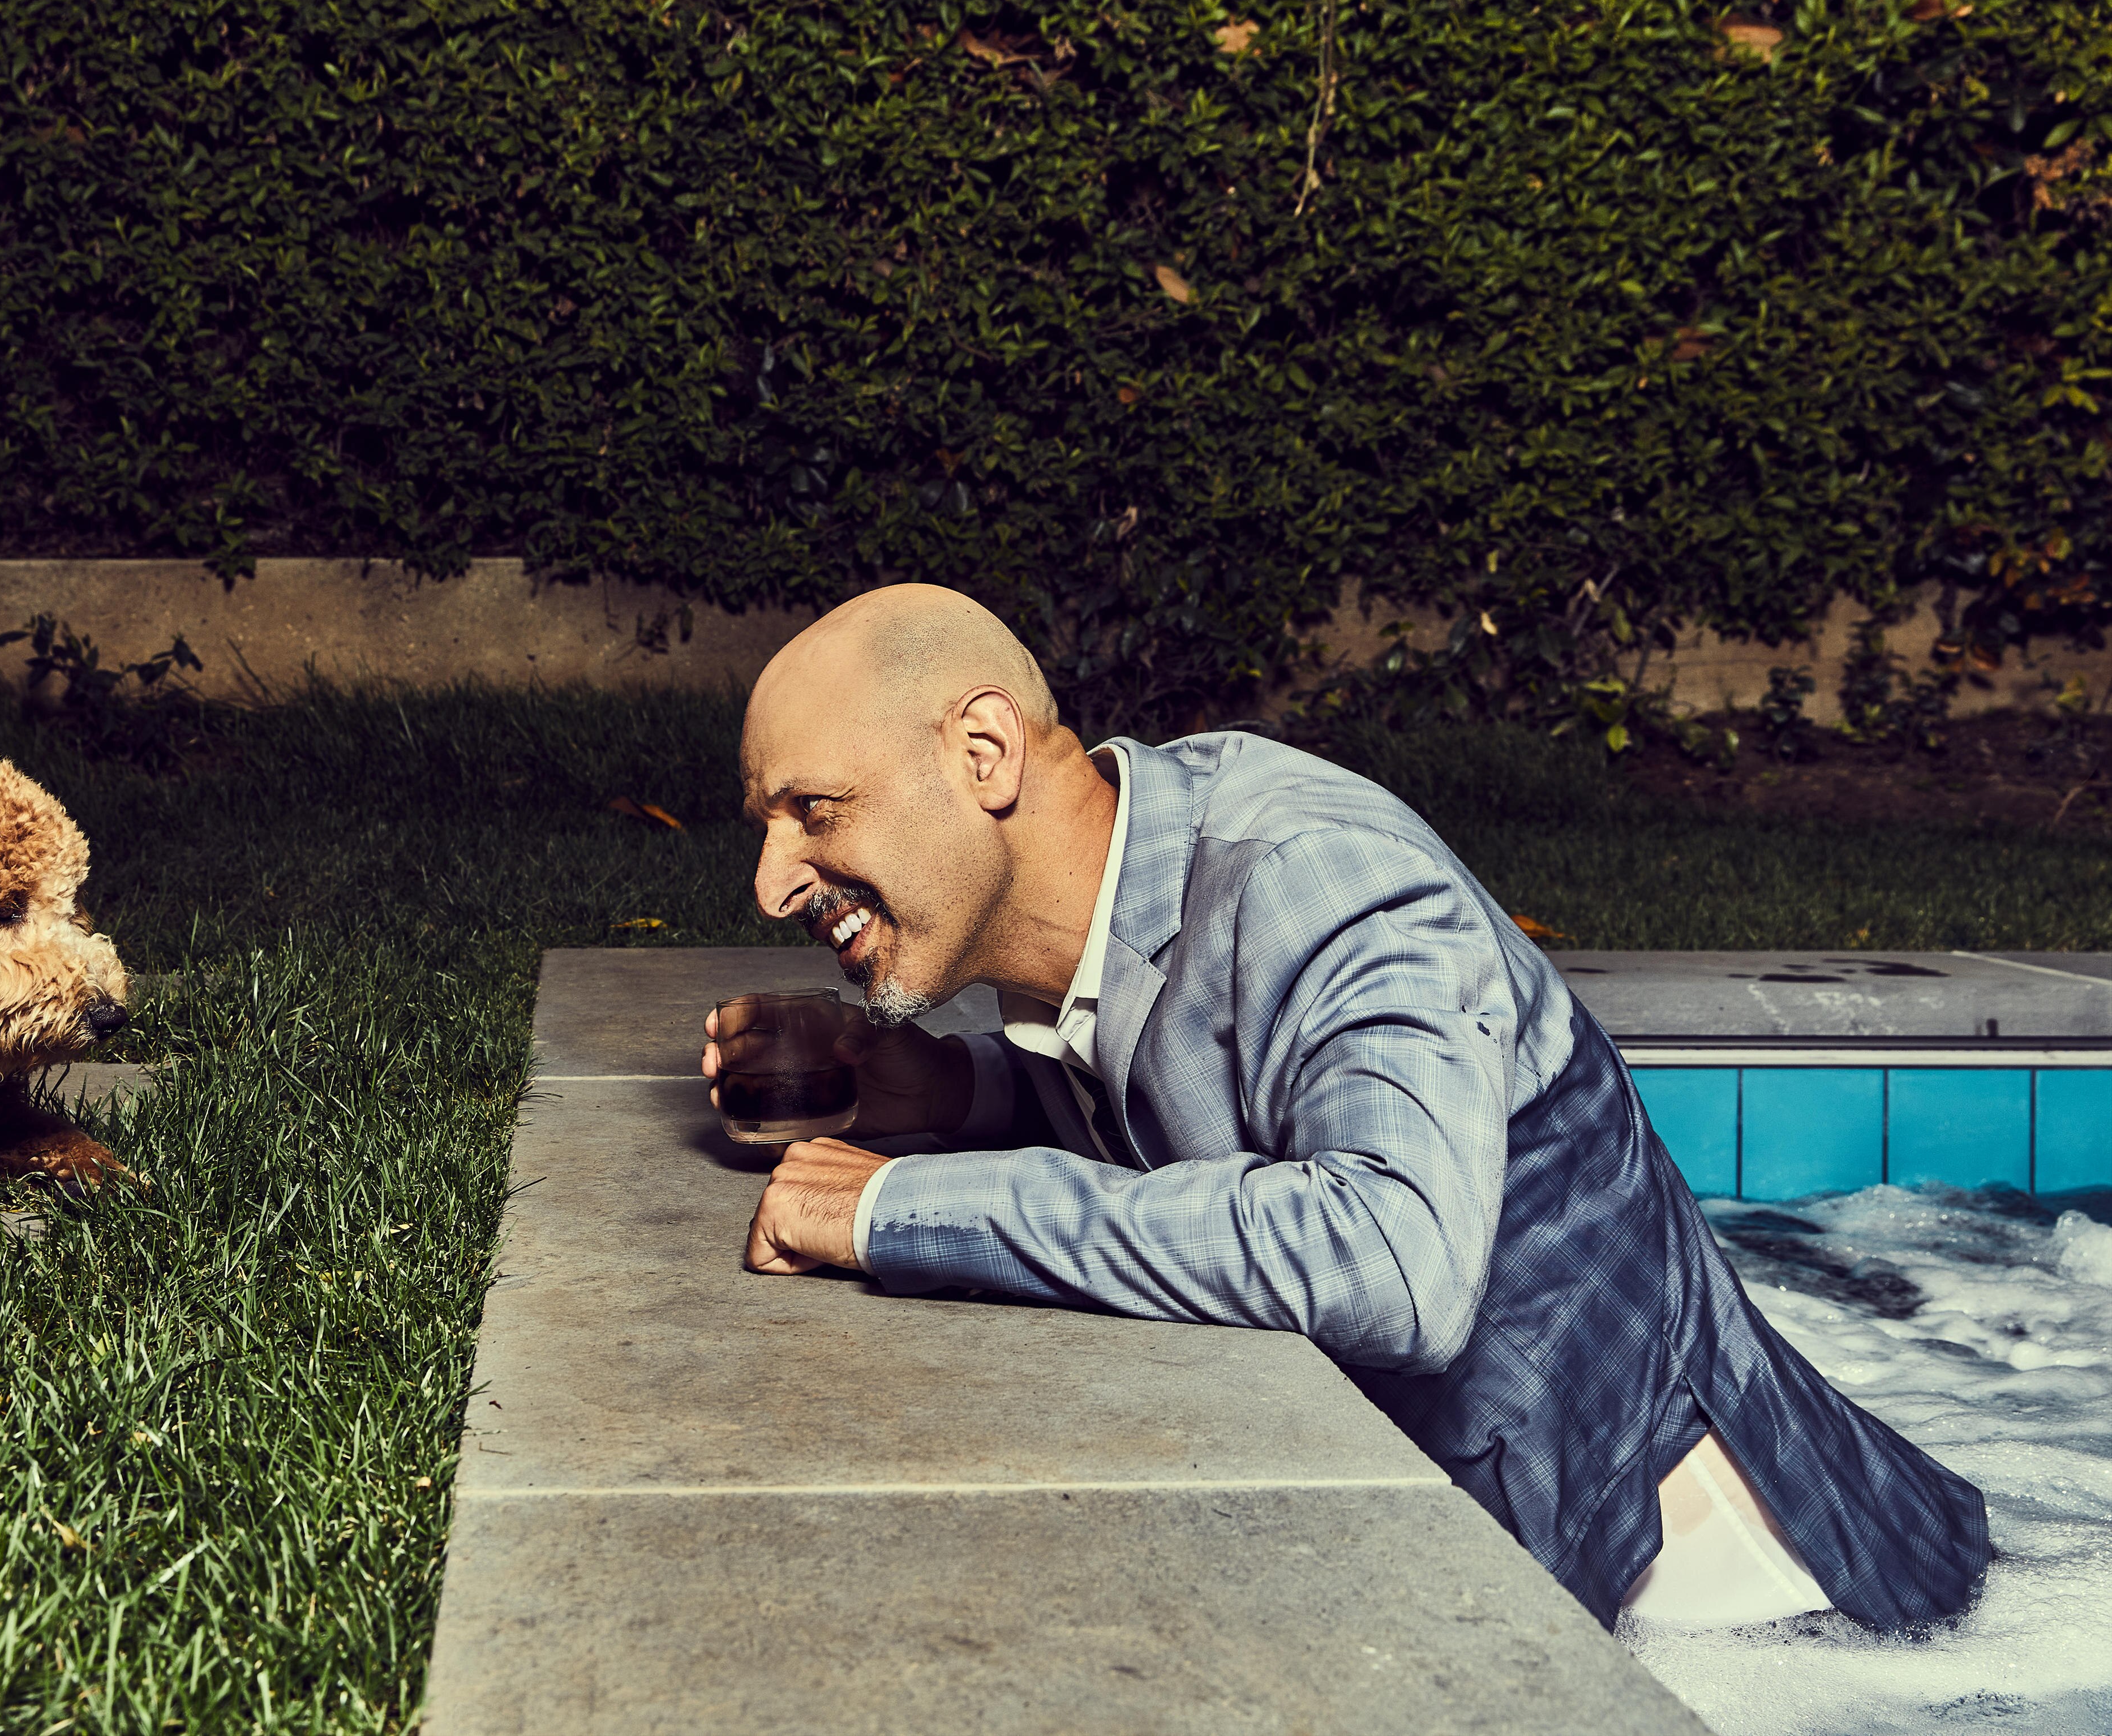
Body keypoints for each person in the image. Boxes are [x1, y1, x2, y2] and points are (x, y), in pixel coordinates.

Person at [701, 583, 1989, 1630]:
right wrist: (950, 1086)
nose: (771, 879)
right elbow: (1208, 1101)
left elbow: (1392, 1258)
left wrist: (902, 1208)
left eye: (813, 808)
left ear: (981, 753)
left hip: (1745, 1594)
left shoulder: (1315, 872)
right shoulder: (1135, 860)